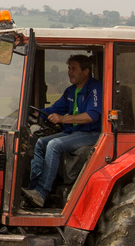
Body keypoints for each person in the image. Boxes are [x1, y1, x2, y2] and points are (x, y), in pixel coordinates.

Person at [26, 55, 102, 209]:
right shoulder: (71, 92)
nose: (69, 72)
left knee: (54, 145)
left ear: (86, 71)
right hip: (75, 132)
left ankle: (42, 192)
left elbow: (92, 116)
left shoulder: (95, 88)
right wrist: (33, 114)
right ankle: (32, 190)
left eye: (74, 69)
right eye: (69, 68)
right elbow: (53, 110)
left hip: (92, 134)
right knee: (40, 142)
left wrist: (63, 119)